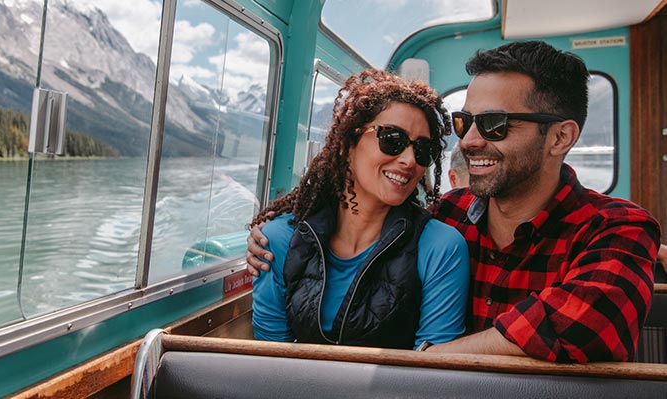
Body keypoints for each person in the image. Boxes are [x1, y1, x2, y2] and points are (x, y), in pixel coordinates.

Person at [247, 41, 661, 363]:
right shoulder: (447, 215)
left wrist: (427, 361)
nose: (469, 141)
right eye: (466, 122)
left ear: (560, 138)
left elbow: (591, 321)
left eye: (494, 124)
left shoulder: (616, 227)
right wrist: (273, 232)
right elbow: (355, 216)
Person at [251, 69, 469, 350]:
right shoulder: (278, 240)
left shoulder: (440, 248)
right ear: (348, 144)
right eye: (392, 139)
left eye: (422, 149)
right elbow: (270, 359)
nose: (409, 160)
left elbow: (430, 369)